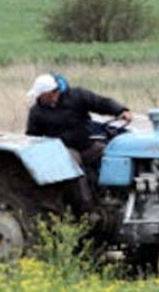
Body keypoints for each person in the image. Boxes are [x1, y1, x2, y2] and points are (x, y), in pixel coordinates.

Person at [25, 73, 132, 211]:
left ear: (51, 93)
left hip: (86, 144)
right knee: (72, 164)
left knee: (112, 154)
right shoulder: (36, 112)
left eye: (40, 95)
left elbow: (100, 103)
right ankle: (86, 207)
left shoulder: (77, 96)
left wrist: (121, 110)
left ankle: (118, 198)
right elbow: (32, 137)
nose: (37, 98)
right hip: (61, 150)